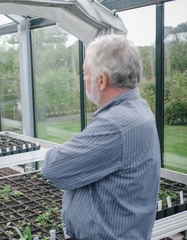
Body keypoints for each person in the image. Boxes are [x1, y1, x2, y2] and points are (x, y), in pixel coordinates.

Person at [41, 34, 161, 239]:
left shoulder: (115, 124)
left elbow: (53, 167)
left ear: (102, 80)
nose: (84, 79)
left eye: (85, 73)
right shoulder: (138, 109)